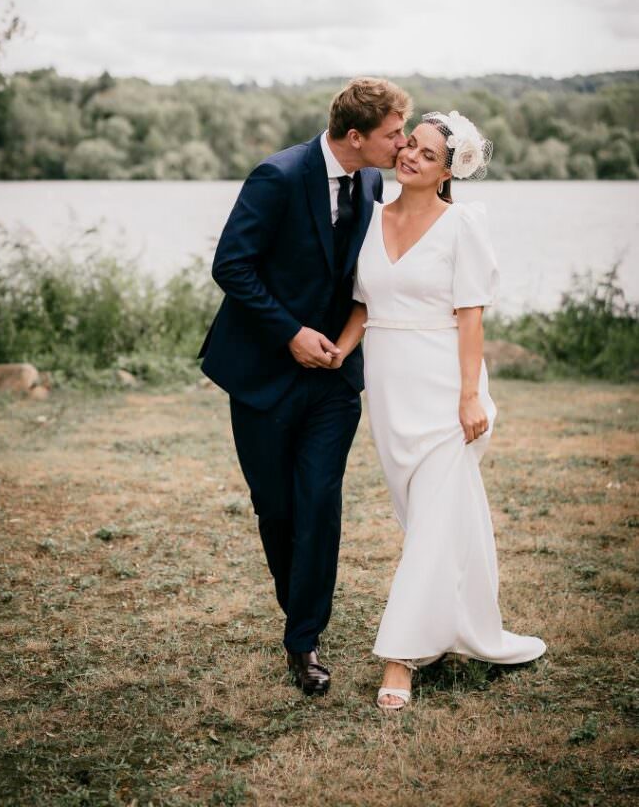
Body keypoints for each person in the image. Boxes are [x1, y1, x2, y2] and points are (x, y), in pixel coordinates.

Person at [199, 77, 411, 695]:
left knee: (319, 502)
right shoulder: (279, 176)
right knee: (278, 509)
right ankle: (302, 609)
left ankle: (304, 641)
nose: (401, 144)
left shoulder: (372, 179)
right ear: (356, 138)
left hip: (334, 378)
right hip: (263, 372)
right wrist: (290, 332)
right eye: (393, 133)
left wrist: (345, 342)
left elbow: (361, 275)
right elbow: (230, 265)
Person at [329, 110, 547, 710]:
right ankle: (462, 624)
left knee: (429, 525)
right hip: (391, 388)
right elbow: (363, 306)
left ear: (449, 171)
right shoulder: (370, 219)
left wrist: (470, 394)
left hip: (446, 387)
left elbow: (471, 311)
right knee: (428, 517)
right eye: (409, 146)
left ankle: (400, 658)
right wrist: (338, 351)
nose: (410, 157)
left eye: (427, 154)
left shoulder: (461, 227)